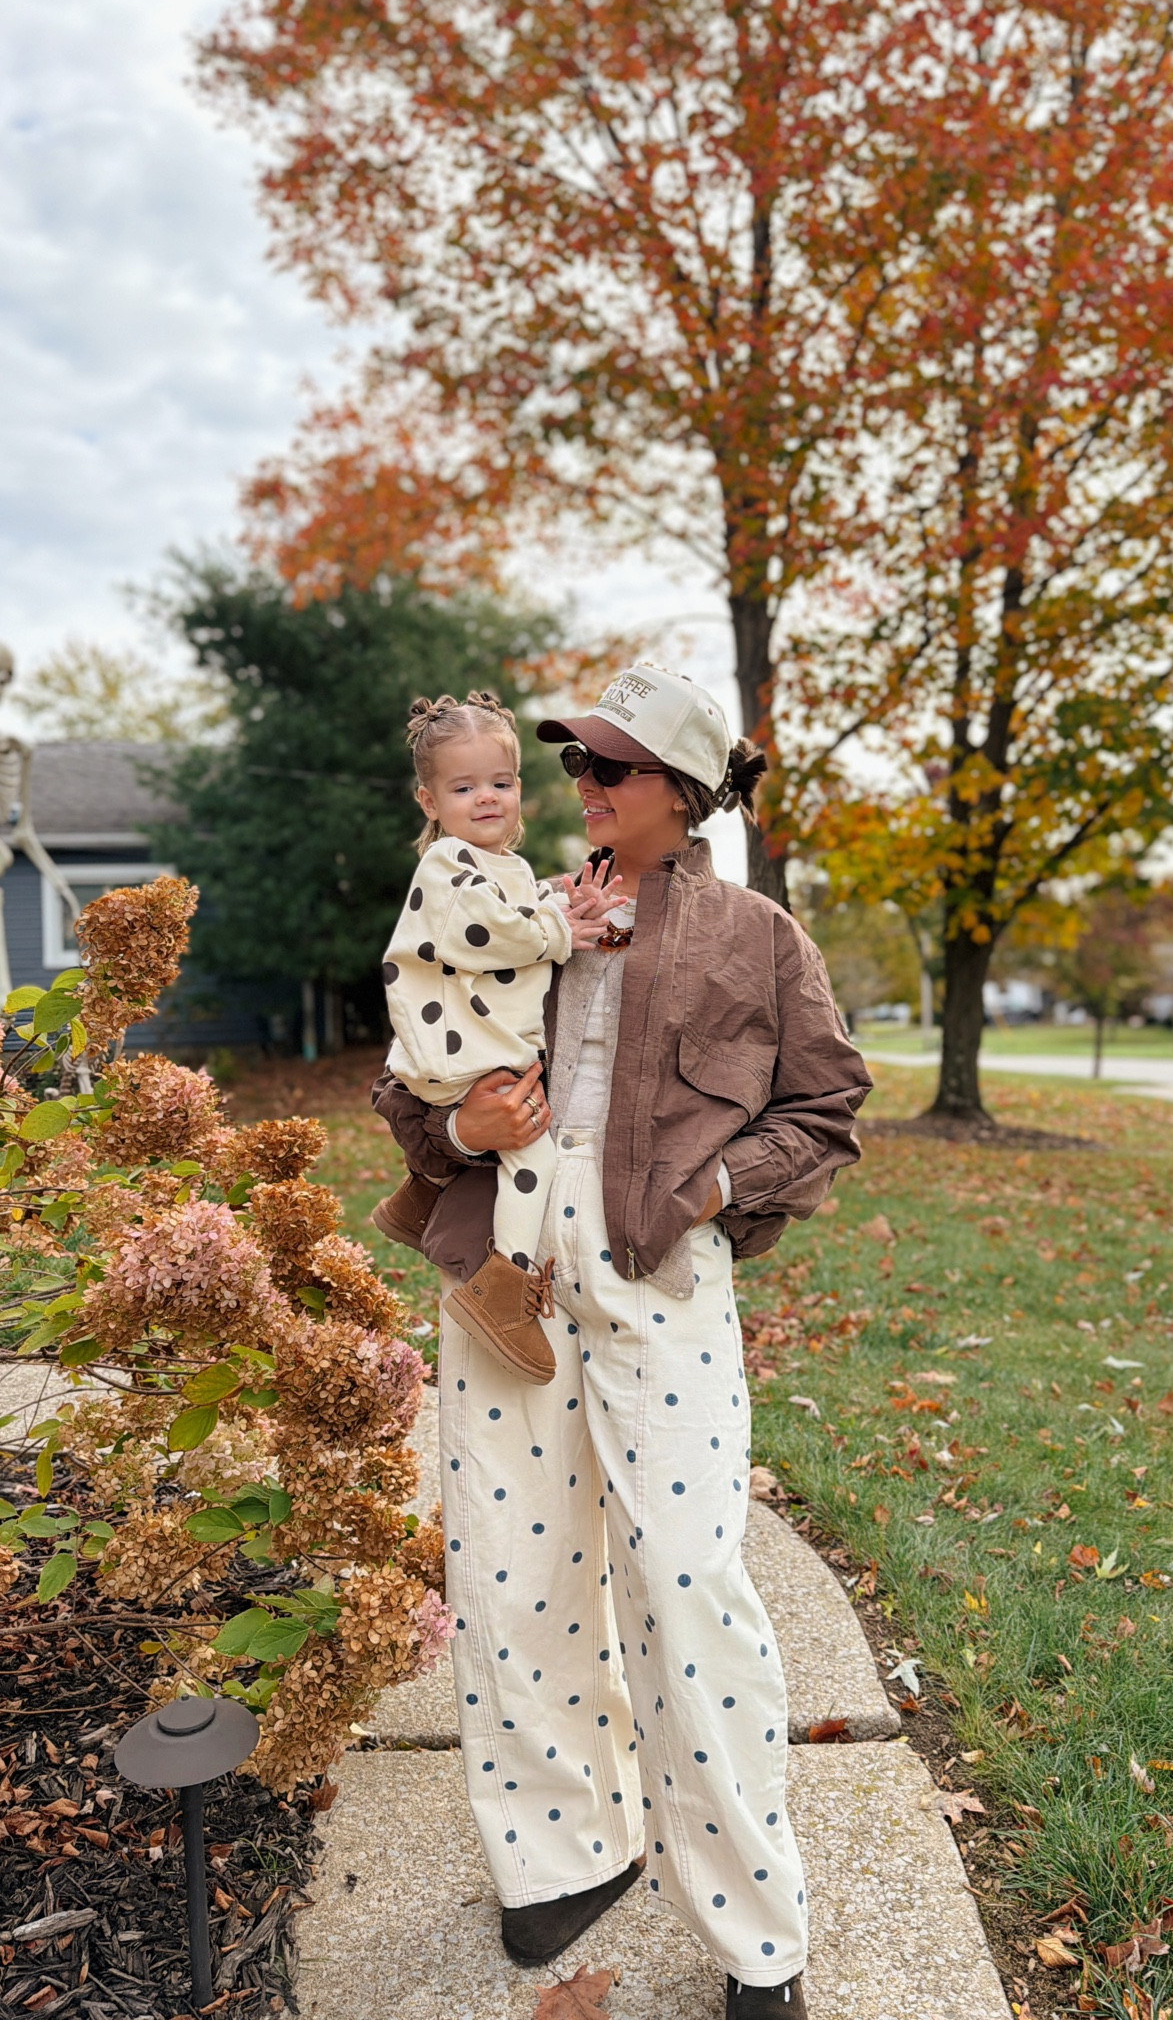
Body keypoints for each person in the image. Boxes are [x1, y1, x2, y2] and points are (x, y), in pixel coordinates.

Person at [372, 665, 871, 2020]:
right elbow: (408, 1059)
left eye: (611, 767)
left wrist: (710, 1191)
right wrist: (460, 1134)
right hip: (502, 1273)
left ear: (685, 790)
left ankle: (756, 1934)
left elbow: (826, 1109)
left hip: (659, 1280)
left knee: (692, 1586)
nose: (579, 787)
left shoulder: (758, 937)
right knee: (511, 1574)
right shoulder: (496, 894)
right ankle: (561, 1856)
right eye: (574, 764)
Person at [374, 691, 623, 1380]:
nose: (486, 798)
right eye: (464, 787)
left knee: (501, 1142)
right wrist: (557, 930)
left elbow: (530, 908)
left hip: (471, 1042)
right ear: (429, 802)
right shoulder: (445, 864)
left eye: (501, 783)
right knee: (531, 1159)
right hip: (463, 1046)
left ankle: (417, 1198)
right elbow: (485, 930)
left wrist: (574, 908)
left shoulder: (501, 867)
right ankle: (504, 1289)